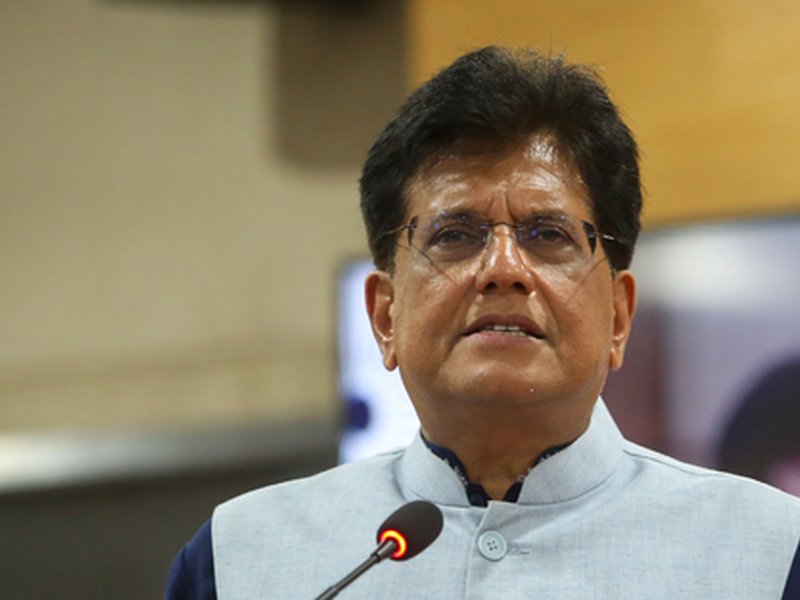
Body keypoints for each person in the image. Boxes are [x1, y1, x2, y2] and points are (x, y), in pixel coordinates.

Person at [165, 46, 800, 599]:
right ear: (385, 315)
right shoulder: (240, 560)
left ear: (618, 316)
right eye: (455, 235)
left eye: (548, 234)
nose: (503, 269)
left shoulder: (769, 554)